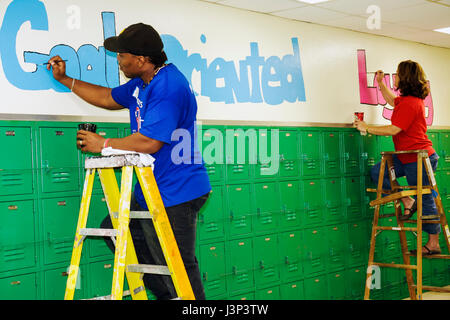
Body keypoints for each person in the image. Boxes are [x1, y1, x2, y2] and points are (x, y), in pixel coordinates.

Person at [47, 22, 211, 299]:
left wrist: (104, 144)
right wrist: (65, 79)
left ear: (142, 59)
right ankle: (169, 296)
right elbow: (107, 97)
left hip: (178, 190)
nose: (119, 61)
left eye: (122, 56)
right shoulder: (142, 82)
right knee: (114, 229)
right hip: (152, 187)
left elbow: (150, 141)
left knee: (178, 266)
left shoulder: (169, 86)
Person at [354, 60, 441, 256]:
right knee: (378, 172)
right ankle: (408, 201)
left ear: (406, 77)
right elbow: (393, 100)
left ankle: (433, 243)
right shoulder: (407, 101)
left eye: (398, 74)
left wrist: (366, 127)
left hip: (420, 157)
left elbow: (394, 129)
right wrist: (380, 83)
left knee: (426, 197)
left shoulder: (411, 104)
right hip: (407, 157)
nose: (396, 78)